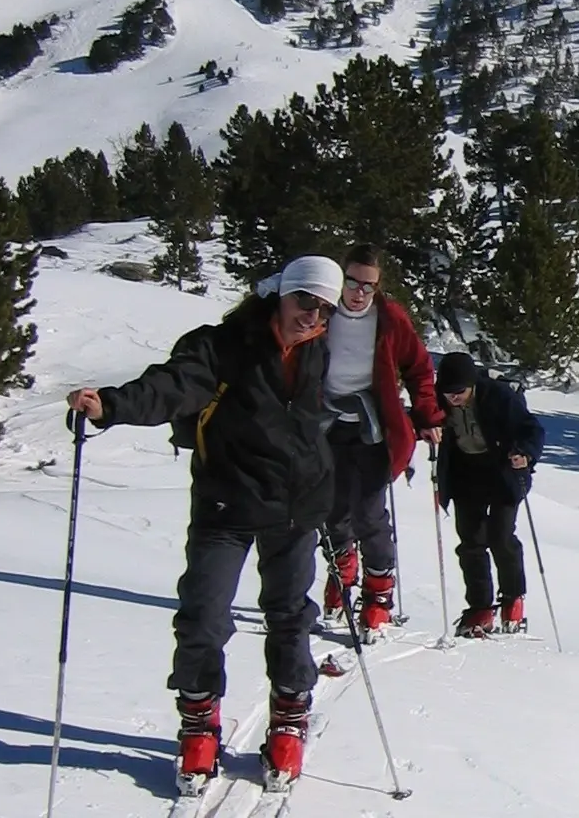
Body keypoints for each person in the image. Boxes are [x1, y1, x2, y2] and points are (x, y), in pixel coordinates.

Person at [64, 255, 344, 794]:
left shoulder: (319, 351)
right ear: (281, 295)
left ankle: (288, 718)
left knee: (289, 616)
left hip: (298, 506)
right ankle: (199, 724)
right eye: (306, 301)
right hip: (227, 503)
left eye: (324, 308)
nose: (312, 316)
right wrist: (112, 406)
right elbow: (172, 386)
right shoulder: (221, 346)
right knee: (203, 615)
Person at [316, 243, 445, 639]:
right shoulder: (319, 310)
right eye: (352, 282)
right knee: (331, 510)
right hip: (324, 422)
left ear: (378, 287)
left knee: (368, 511)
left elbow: (419, 368)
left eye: (367, 285)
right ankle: (342, 571)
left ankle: (378, 595)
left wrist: (426, 415)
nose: (358, 292)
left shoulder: (389, 319)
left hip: (373, 425)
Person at [433, 351, 546, 637]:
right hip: (465, 474)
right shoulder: (439, 399)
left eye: (459, 392)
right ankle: (480, 608)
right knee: (471, 541)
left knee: (500, 536)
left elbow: (532, 429)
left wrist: (525, 454)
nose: (453, 397)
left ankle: (513, 599)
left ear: (472, 384)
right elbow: (425, 419)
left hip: (502, 473)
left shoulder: (498, 396)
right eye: (448, 392)